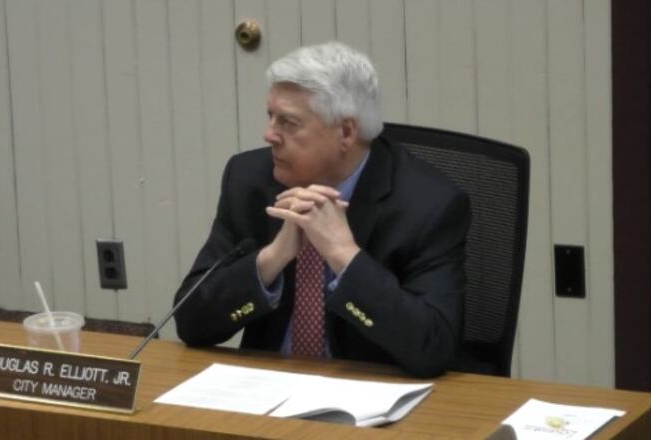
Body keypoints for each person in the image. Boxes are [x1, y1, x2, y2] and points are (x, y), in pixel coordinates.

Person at [173, 42, 470, 378]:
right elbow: (191, 322)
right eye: (270, 116)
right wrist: (271, 259)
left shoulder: (428, 205)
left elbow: (433, 348)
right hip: (265, 396)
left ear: (345, 131)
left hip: (370, 399)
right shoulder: (249, 180)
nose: (269, 134)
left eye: (288, 122)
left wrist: (344, 255)